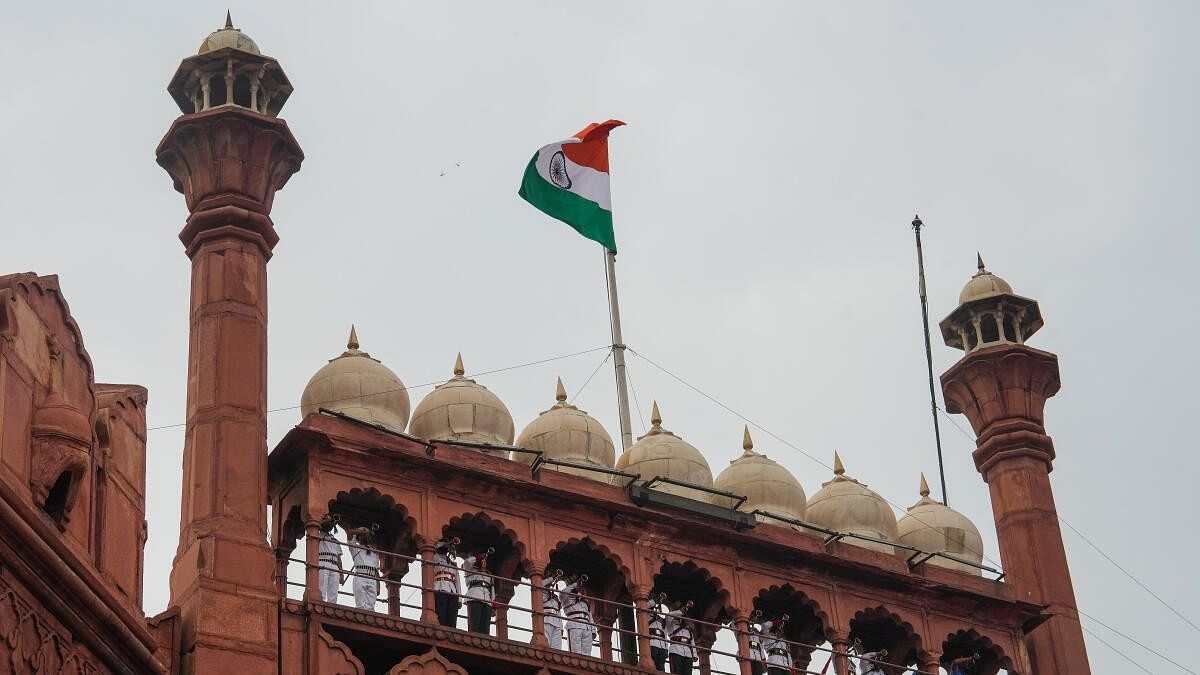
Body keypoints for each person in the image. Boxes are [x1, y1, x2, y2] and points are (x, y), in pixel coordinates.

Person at [346, 525, 381, 611]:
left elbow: (376, 570)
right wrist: (362, 531)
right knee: (360, 605)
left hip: (372, 578)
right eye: (362, 535)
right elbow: (350, 532)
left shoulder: (374, 552)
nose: (365, 535)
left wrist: (378, 585)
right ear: (358, 537)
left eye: (366, 534)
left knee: (371, 607)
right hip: (360, 576)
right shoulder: (355, 548)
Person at [462, 547, 494, 634]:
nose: (484, 561)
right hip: (474, 597)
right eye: (482, 559)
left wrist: (493, 604)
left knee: (485, 630)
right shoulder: (470, 570)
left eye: (485, 559)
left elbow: (492, 590)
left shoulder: (489, 573)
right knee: (474, 627)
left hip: (487, 600)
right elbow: (467, 562)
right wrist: (479, 556)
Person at [560, 574, 594, 656]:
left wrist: (593, 630)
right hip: (575, 624)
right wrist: (575, 584)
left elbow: (589, 614)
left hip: (587, 626)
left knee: (587, 655)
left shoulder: (584, 600)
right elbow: (563, 593)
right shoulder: (566, 598)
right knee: (575, 653)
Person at [432, 538, 461, 627]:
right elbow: (434, 546)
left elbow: (457, 582)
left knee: (452, 619)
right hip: (440, 587)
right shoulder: (435, 557)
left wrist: (459, 598)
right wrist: (447, 543)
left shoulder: (453, 564)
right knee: (441, 616)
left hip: (452, 590)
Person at [316, 517, 344, 604]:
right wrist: (327, 521)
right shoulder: (317, 535)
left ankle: (332, 608)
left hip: (335, 566)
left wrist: (341, 573)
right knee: (322, 590)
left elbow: (339, 558)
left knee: (333, 593)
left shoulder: (335, 539)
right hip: (323, 562)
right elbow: (317, 525)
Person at [666, 600, 696, 675]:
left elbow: (692, 642)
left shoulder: (688, 629)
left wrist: (695, 655)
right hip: (676, 651)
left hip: (688, 654)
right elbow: (668, 616)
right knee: (676, 673)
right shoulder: (671, 625)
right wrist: (680, 611)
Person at [541, 569, 564, 649]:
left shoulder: (555, 598)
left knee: (557, 649)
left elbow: (558, 613)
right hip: (546, 620)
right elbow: (540, 584)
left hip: (557, 623)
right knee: (546, 646)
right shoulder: (540, 591)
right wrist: (552, 578)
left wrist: (561, 627)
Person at [648, 593, 670, 671]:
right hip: (652, 642)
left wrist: (666, 649)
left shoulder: (661, 620)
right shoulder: (645, 613)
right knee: (651, 665)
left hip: (662, 645)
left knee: (661, 668)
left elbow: (665, 634)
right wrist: (656, 599)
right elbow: (645, 605)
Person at [747, 610, 766, 675]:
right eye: (751, 618)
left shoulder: (757, 632)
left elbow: (761, 646)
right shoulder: (743, 628)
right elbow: (732, 625)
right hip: (748, 655)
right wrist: (747, 624)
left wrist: (763, 661)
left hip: (758, 658)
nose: (753, 620)